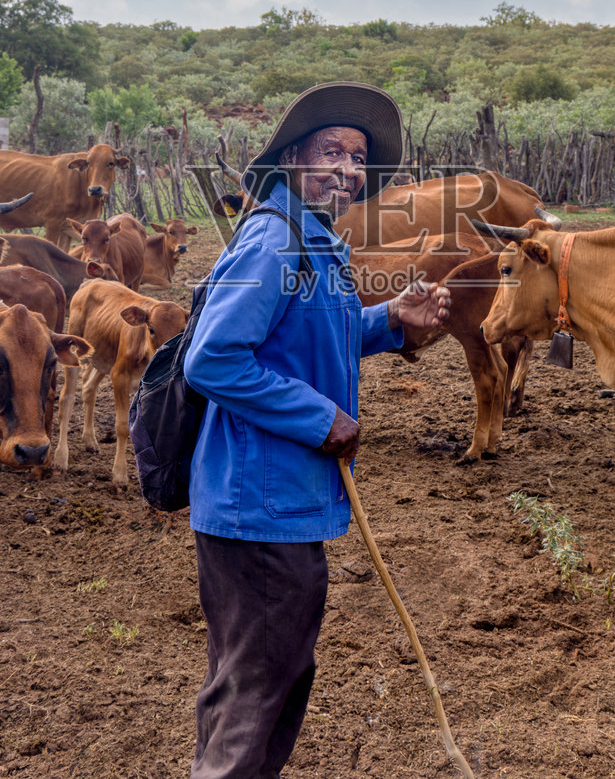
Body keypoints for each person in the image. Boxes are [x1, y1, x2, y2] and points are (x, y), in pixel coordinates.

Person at [182, 81, 450, 779]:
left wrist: (391, 319)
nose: (348, 169)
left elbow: (310, 338)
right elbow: (212, 358)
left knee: (258, 683)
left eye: (359, 159)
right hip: (260, 508)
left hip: (279, 503)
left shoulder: (311, 239)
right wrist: (318, 416)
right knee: (261, 689)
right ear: (292, 160)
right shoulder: (274, 241)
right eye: (331, 151)